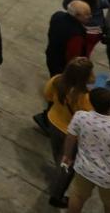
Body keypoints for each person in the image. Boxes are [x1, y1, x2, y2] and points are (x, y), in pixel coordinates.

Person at [61, 88, 110, 213]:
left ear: (91, 102)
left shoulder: (80, 116)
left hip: (84, 169)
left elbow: (70, 138)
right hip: (109, 178)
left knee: (78, 196)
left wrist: (67, 155)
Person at [43, 57, 96, 207]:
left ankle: (58, 173)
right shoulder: (86, 97)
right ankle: (57, 196)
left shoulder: (57, 81)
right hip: (71, 135)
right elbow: (89, 121)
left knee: (58, 155)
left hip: (53, 122)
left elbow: (47, 95)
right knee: (68, 164)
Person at [47, 1, 93, 76]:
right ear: (77, 15)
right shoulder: (77, 34)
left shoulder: (57, 15)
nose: (90, 16)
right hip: (62, 66)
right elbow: (73, 57)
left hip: (51, 55)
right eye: (87, 14)